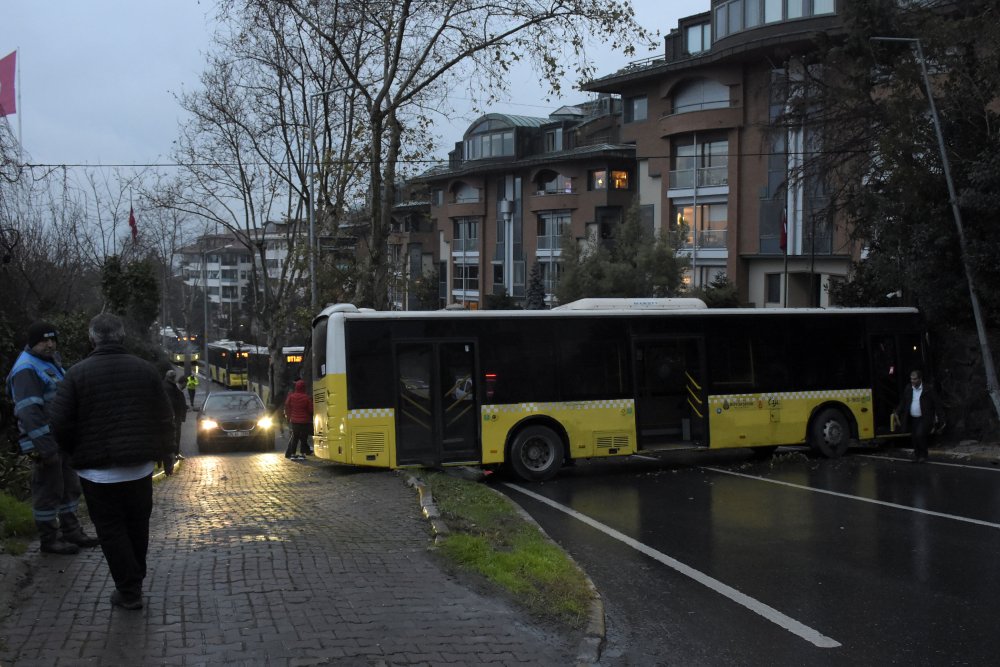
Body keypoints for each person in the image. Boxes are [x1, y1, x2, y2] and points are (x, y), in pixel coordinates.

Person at [49, 313, 174, 610]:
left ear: (92, 338)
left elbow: (60, 422)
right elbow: (164, 416)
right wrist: (166, 452)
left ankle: (129, 590)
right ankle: (134, 581)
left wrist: (74, 452)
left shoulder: (76, 375)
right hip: (139, 467)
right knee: (137, 526)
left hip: (97, 472)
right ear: (122, 336)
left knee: (110, 529)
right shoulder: (145, 370)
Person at [5, 321, 99, 555]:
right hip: (45, 443)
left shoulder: (48, 363)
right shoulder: (26, 368)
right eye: (44, 340)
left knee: (69, 487)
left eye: (52, 339)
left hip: (60, 440)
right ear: (32, 343)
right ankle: (49, 539)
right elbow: (29, 412)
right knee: (49, 491)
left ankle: (71, 531)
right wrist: (45, 447)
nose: (49, 344)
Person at [893, 369, 942, 463]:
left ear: (920, 379)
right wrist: (897, 412)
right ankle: (917, 455)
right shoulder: (908, 388)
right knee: (914, 437)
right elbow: (903, 402)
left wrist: (941, 418)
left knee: (920, 434)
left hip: (925, 417)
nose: (912, 381)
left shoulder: (928, 389)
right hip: (913, 418)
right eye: (911, 379)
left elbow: (937, 404)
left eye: (915, 379)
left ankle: (923, 455)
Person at [283, 379, 313, 460]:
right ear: (304, 388)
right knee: (304, 438)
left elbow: (287, 405)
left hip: (294, 421)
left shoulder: (291, 396)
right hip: (304, 421)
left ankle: (293, 454)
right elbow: (310, 409)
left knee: (295, 438)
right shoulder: (306, 398)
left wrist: (289, 416)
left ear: (296, 387)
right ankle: (302, 454)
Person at [163, 370, 187, 466]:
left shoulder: (169, 386)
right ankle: (173, 454)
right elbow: (174, 402)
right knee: (175, 435)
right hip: (174, 415)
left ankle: (175, 454)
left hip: (175, 415)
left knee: (176, 435)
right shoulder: (170, 387)